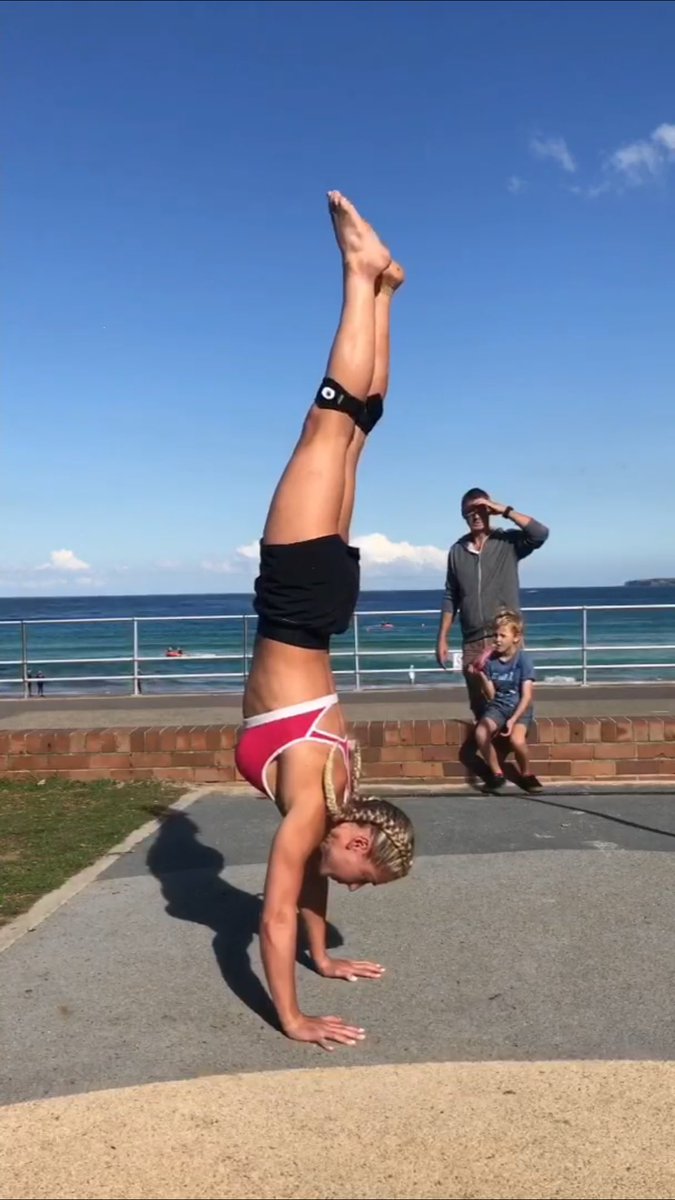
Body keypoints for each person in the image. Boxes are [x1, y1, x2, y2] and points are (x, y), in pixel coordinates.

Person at [235, 191, 414, 1052]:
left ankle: (383, 293)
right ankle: (359, 277)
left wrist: (323, 958)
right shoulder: (313, 806)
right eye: (366, 871)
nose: (359, 885)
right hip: (299, 605)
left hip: (324, 609)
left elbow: (306, 891)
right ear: (351, 834)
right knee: (331, 421)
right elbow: (275, 909)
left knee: (354, 431)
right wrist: (294, 1016)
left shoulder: (336, 795)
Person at [436, 487, 549, 717]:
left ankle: (514, 748)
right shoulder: (457, 551)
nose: (476, 516)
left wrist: (505, 510)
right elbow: (451, 596)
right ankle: (490, 753)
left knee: (512, 706)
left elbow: (540, 534)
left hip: (505, 638)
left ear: (490, 511)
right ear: (463, 516)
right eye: (470, 512)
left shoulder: (507, 542)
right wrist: (442, 638)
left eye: (481, 509)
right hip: (473, 642)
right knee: (482, 710)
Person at [472, 610, 542, 792]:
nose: (498, 639)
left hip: (520, 708)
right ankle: (497, 774)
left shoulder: (523, 660)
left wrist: (512, 720)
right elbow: (492, 695)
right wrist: (481, 673)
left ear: (516, 637)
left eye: (503, 635)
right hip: (499, 706)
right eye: (495, 635)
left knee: (517, 741)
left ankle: (526, 774)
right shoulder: (491, 662)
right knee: (481, 732)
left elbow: (527, 696)